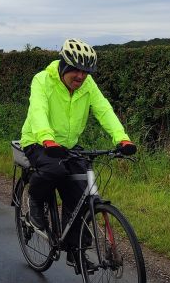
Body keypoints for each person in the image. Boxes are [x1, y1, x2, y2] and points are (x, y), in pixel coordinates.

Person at [20, 38, 137, 274]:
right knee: (54, 170)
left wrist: (122, 138)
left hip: (69, 145)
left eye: (86, 72)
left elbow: (104, 110)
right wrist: (47, 138)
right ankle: (35, 202)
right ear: (64, 65)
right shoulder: (42, 80)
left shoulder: (88, 85)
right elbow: (38, 110)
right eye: (76, 70)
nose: (81, 76)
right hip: (38, 141)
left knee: (80, 190)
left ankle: (75, 251)